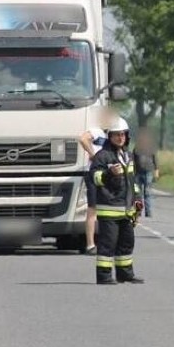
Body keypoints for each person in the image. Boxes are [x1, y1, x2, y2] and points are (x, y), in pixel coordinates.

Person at [90, 117, 144, 285]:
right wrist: (108, 174)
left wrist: (137, 199)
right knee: (108, 244)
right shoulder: (102, 156)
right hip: (109, 208)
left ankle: (125, 274)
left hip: (126, 209)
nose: (120, 138)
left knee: (127, 243)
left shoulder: (127, 156)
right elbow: (94, 178)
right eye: (116, 135)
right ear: (110, 137)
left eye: (123, 134)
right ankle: (104, 276)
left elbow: (131, 181)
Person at [79, 107, 117, 255]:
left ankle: (106, 242)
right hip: (94, 172)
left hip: (108, 174)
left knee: (108, 209)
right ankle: (90, 244)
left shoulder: (111, 136)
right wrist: (92, 153)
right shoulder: (96, 131)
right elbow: (83, 139)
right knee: (93, 209)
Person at [133, 128, 159, 218]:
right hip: (138, 172)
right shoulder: (136, 148)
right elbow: (133, 160)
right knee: (138, 193)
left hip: (148, 172)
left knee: (147, 193)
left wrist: (156, 171)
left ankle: (148, 212)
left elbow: (155, 159)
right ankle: (138, 211)